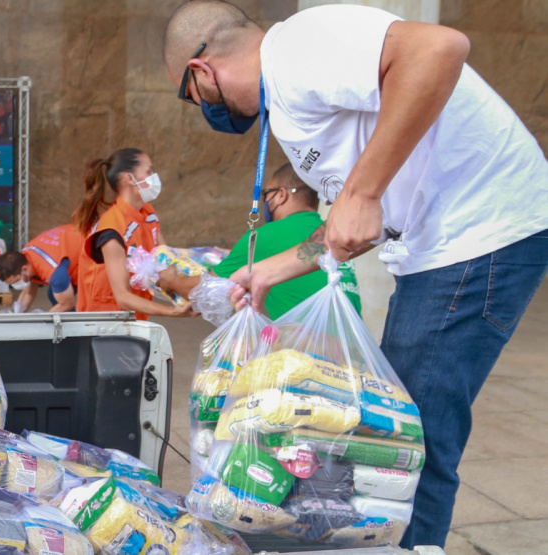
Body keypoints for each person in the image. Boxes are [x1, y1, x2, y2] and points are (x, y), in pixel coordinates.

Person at [163, 1, 548, 548]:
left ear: (201, 72)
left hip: (477, 234)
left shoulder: (295, 48)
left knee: (410, 442)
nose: (201, 107)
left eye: (191, 96)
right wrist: (281, 265)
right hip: (441, 244)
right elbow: (356, 217)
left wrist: (363, 191)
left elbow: (439, 49)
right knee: (393, 431)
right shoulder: (294, 87)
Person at [158, 163, 362, 319]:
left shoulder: (265, 236)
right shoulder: (330, 232)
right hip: (353, 354)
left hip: (308, 357)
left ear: (281, 195)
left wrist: (172, 281)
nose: (265, 201)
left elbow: (205, 290)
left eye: (267, 194)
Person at [73, 147, 195, 320]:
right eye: (149, 171)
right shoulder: (111, 229)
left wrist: (201, 287)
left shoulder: (148, 213)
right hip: (102, 326)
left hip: (134, 322)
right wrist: (173, 311)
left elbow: (166, 263)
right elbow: (122, 298)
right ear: (129, 178)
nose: (154, 177)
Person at [0, 224, 84, 312]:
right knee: (54, 294)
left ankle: (76, 324)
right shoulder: (25, 256)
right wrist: (17, 314)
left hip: (91, 253)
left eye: (16, 281)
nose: (15, 285)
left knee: (88, 304)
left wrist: (43, 322)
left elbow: (66, 304)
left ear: (25, 269)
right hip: (73, 242)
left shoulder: (54, 272)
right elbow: (28, 293)